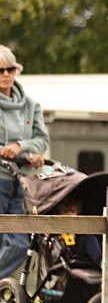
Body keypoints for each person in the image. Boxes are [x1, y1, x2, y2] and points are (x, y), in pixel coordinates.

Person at [0, 45, 49, 278]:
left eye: (10, 69)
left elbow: (42, 140)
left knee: (19, 245)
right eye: (0, 71)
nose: (5, 74)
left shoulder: (31, 105)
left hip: (22, 184)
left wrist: (23, 148)